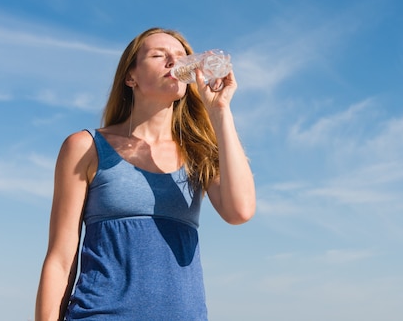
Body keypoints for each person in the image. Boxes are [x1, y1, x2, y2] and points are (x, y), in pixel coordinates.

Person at [35, 27, 256, 320]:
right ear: (131, 77)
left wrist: (220, 111)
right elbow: (60, 259)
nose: (174, 62)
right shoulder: (85, 147)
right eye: (158, 55)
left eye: (181, 56)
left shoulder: (198, 152)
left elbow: (239, 211)